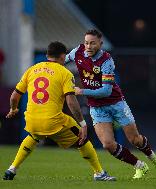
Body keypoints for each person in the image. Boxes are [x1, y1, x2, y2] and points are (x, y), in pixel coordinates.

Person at [3, 41, 116, 181]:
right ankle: (99, 173)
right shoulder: (65, 73)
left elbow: (15, 96)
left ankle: (11, 169)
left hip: (32, 119)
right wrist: (82, 123)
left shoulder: (32, 69)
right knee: (83, 139)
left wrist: (13, 109)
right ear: (63, 57)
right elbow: (71, 101)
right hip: (54, 121)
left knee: (33, 137)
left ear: (47, 55)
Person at [65, 29, 156, 179]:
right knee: (108, 144)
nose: (88, 46)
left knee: (134, 140)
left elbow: (105, 91)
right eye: (86, 42)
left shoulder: (106, 60)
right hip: (97, 108)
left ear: (100, 43)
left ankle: (152, 156)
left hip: (116, 104)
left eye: (93, 43)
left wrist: (81, 91)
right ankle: (140, 166)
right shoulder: (77, 52)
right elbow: (60, 61)